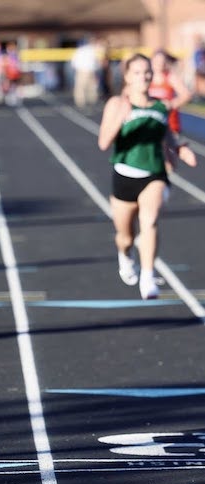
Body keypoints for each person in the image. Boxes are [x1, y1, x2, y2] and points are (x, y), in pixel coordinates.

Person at [98, 53, 196, 300]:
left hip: (154, 174)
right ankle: (125, 256)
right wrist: (121, 118)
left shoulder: (161, 105)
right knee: (125, 237)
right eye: (138, 72)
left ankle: (148, 276)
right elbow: (103, 143)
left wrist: (179, 148)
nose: (144, 77)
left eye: (147, 72)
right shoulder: (117, 104)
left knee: (149, 220)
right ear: (127, 76)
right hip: (124, 175)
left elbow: (167, 135)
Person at [148, 49, 193, 143]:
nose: (159, 64)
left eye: (162, 61)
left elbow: (186, 95)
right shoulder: (146, 78)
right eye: (157, 61)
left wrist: (171, 104)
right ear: (152, 61)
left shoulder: (170, 77)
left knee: (170, 149)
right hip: (151, 123)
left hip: (170, 124)